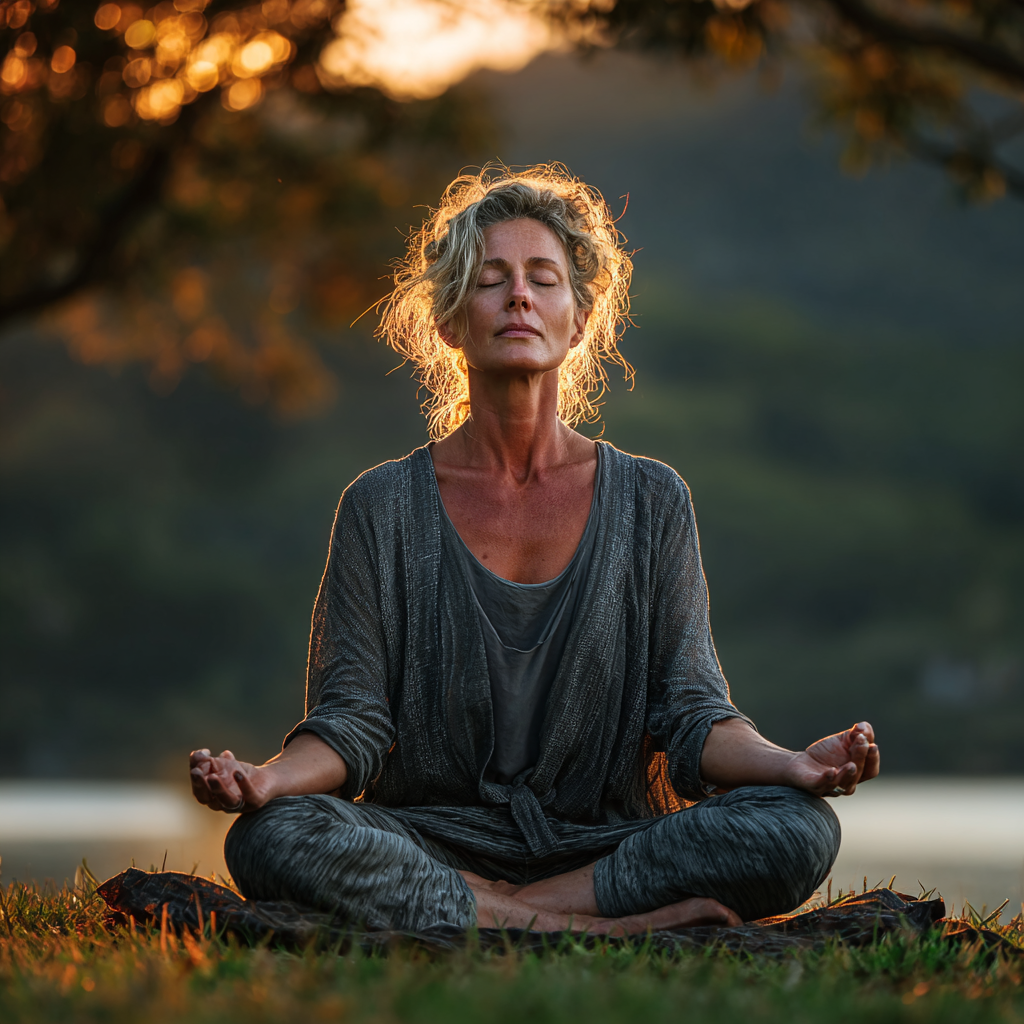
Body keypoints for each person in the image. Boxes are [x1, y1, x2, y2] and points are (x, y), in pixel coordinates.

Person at [189, 165, 880, 936]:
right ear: (450, 321)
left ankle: (502, 916)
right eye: (491, 280)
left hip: (608, 846)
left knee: (797, 825)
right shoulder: (379, 506)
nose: (518, 295)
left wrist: (794, 765)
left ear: (578, 319)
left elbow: (693, 715)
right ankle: (592, 929)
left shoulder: (652, 500)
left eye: (542, 278)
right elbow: (350, 723)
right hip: (430, 842)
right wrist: (266, 779)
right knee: (275, 833)